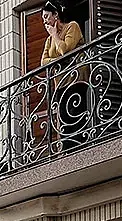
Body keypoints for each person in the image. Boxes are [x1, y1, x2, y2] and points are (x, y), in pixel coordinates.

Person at [39, 1, 88, 150]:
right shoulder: (48, 40)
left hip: (76, 78)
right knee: (64, 117)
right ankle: (68, 150)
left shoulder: (72, 27)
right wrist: (58, 59)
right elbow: (43, 62)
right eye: (43, 18)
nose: (45, 21)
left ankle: (79, 147)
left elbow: (65, 50)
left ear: (56, 15)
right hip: (60, 82)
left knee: (76, 112)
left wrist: (55, 35)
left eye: (47, 16)